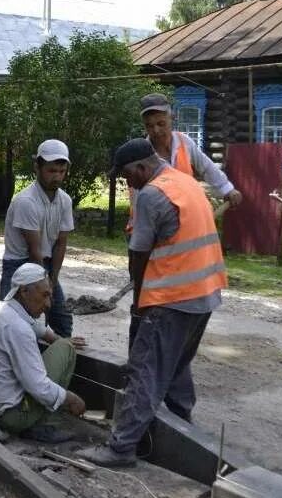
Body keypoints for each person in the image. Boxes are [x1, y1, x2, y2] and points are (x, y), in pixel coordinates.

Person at [77, 139, 227, 467]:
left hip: (172, 299)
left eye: (127, 176)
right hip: (205, 295)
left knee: (145, 370)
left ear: (142, 168)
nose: (125, 182)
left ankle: (120, 448)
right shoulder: (185, 182)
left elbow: (139, 255)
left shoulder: (150, 195)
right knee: (174, 364)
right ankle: (183, 428)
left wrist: (139, 303)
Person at [0, 263, 87, 443]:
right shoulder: (19, 329)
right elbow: (39, 387)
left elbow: (33, 325)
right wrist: (71, 399)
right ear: (24, 291)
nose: (48, 304)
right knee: (66, 349)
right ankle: (46, 423)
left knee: (61, 344)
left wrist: (54, 337)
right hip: (6, 416)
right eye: (44, 295)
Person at [124, 93, 242, 240]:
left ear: (171, 118)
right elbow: (137, 198)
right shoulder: (142, 154)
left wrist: (227, 189)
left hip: (186, 222)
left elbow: (206, 167)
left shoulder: (184, 142)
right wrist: (141, 232)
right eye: (149, 126)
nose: (156, 130)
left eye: (161, 124)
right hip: (154, 227)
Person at [0, 139, 75, 339]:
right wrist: (45, 286)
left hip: (46, 263)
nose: (57, 177)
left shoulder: (64, 200)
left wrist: (54, 280)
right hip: (19, 265)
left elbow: (61, 243)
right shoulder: (26, 201)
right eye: (51, 171)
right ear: (37, 167)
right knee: (12, 322)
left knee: (62, 320)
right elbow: (34, 250)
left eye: (61, 171)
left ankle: (59, 362)